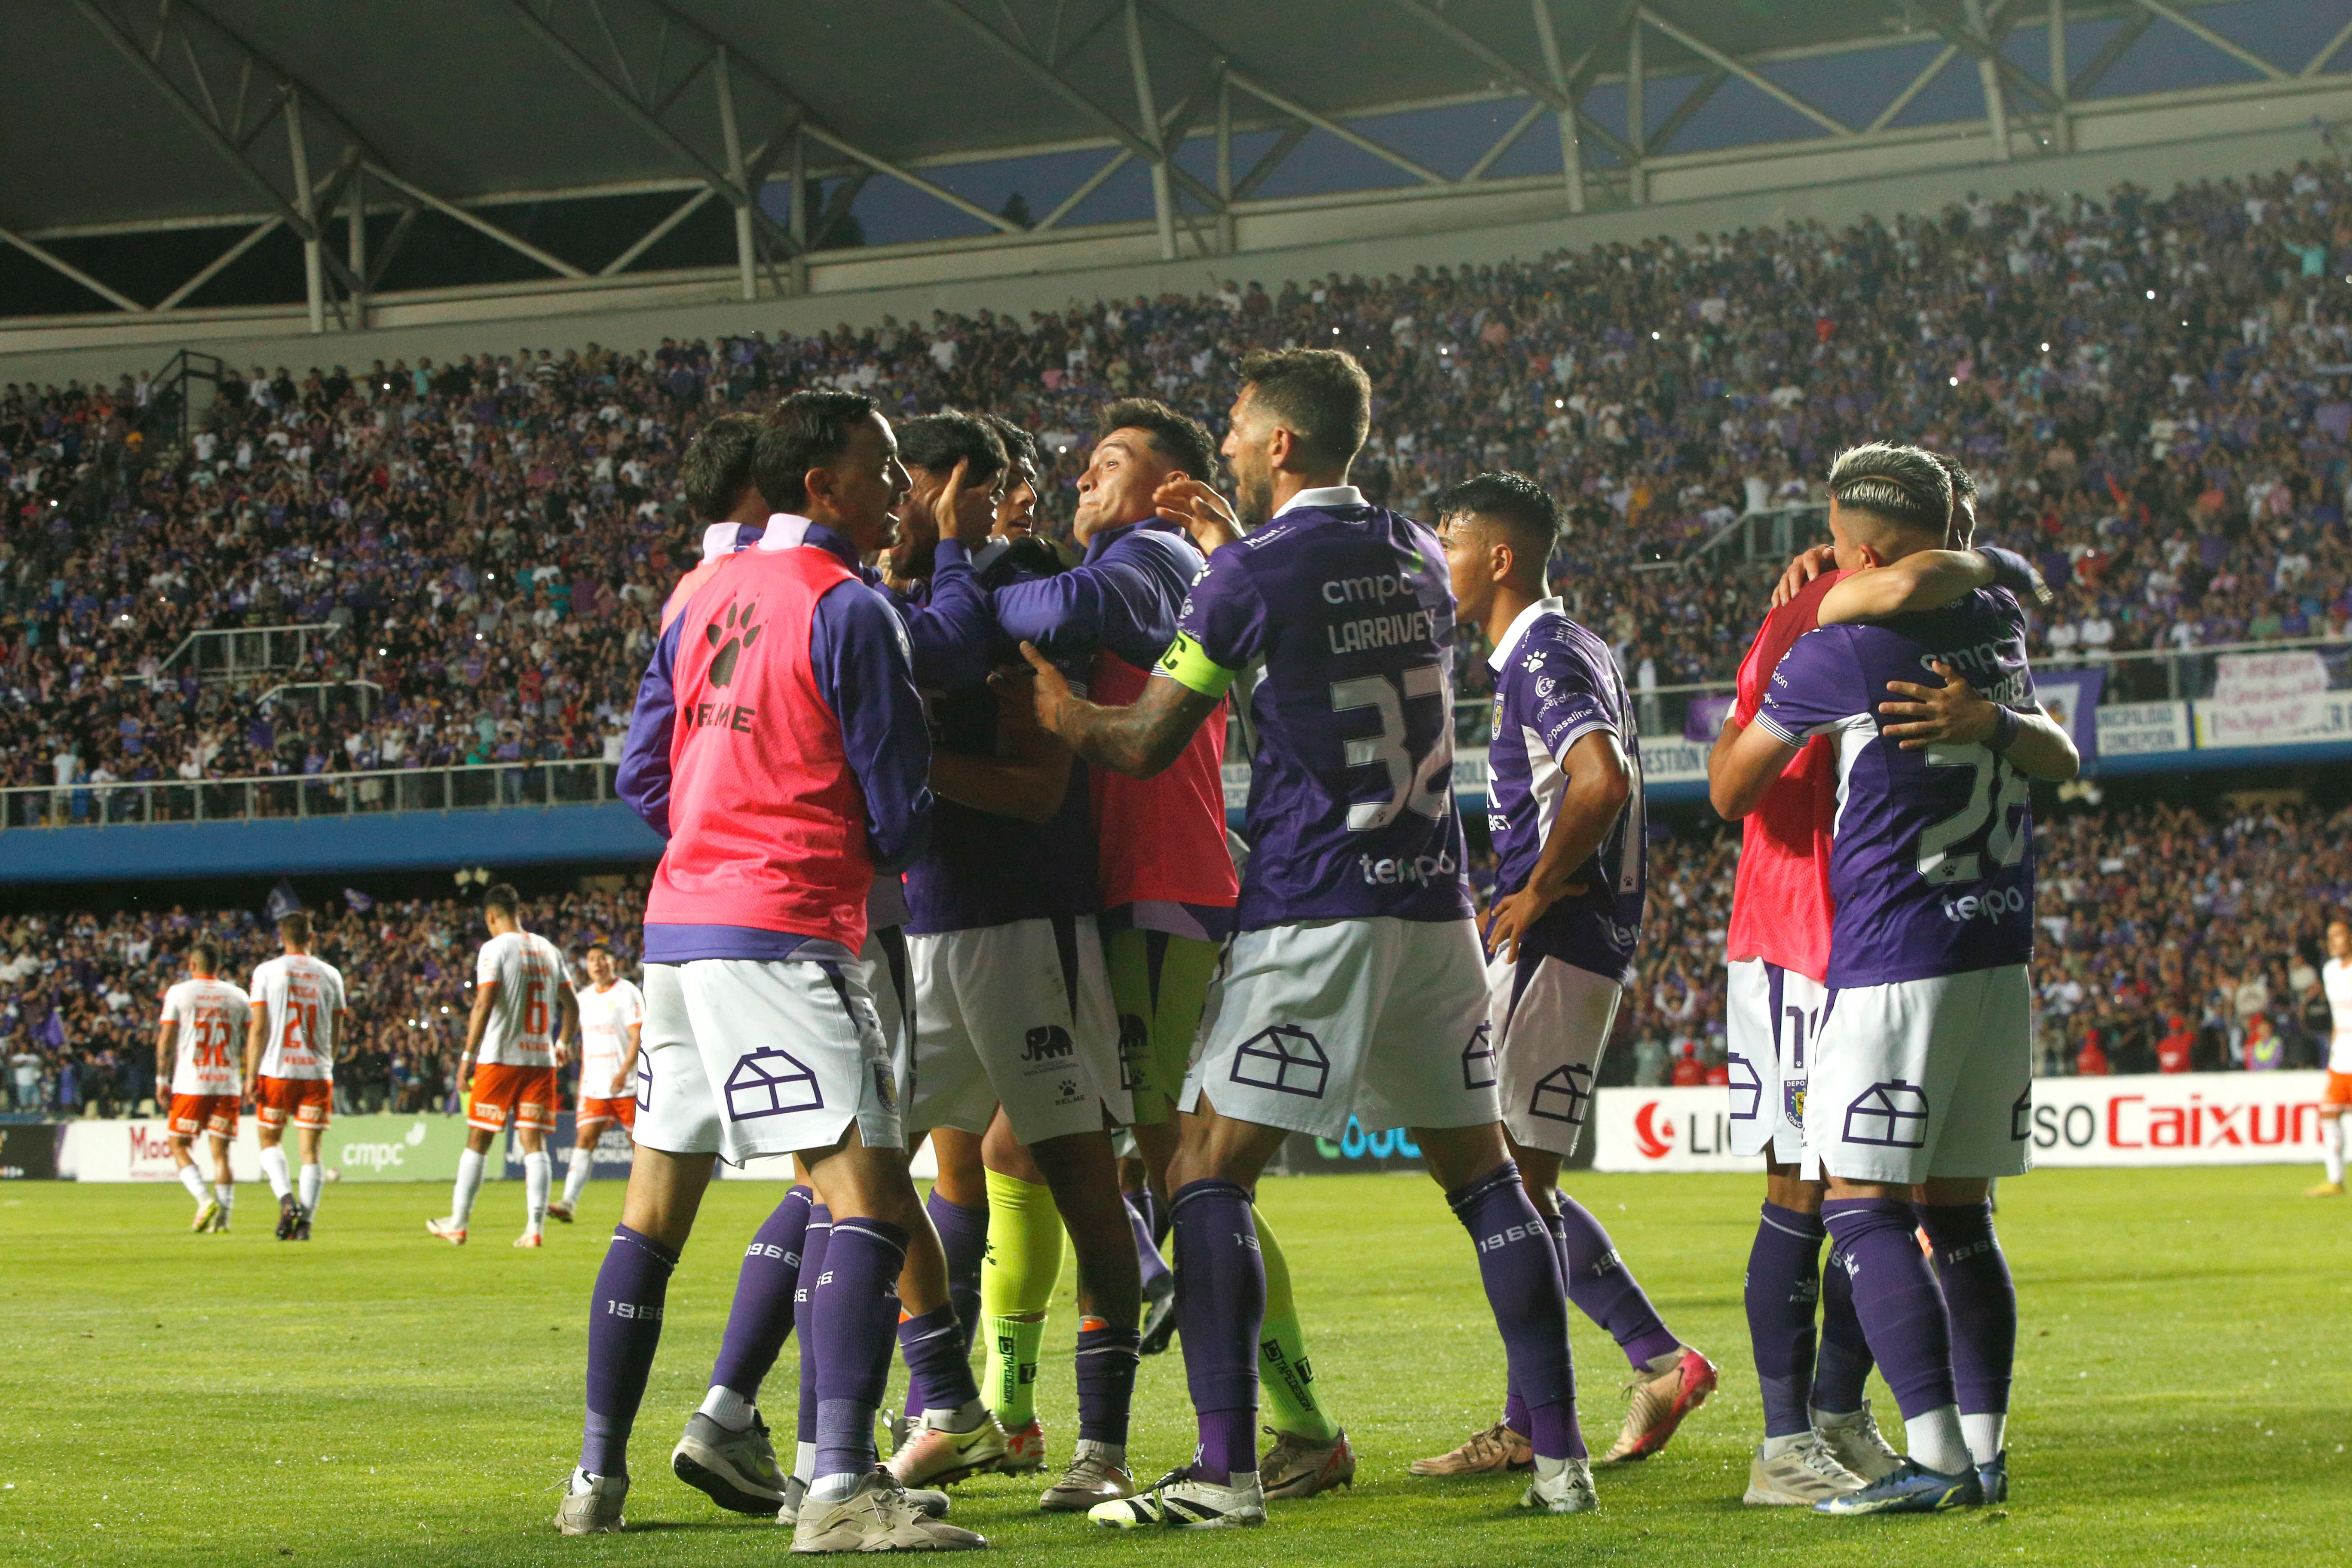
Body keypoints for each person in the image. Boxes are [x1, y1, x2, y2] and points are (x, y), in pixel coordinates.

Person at [1023, 348, 1595, 1525]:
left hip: (1313, 907)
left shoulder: (1250, 581)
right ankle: (1562, 1460)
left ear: (1280, 444)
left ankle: (1225, 1473)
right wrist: (1240, 546)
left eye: (1236, 427)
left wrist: (1058, 709)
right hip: (1429, 909)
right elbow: (1318, 614)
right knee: (1489, 1185)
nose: (1225, 442)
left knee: (1203, 1175)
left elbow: (1140, 742)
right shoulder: (1417, 555)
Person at [563, 389, 989, 1550]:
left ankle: (594, 1484)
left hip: (677, 931)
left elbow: (645, 780)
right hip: (788, 926)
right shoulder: (849, 610)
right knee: (864, 1194)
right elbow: (902, 819)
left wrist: (720, 818)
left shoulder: (697, 592)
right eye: (885, 466)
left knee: (652, 1208)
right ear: (823, 487)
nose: (902, 488)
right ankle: (843, 1489)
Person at [996, 396, 1356, 1501]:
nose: (1082, 477)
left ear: (1165, 488)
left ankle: (1300, 1426)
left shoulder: (1153, 565)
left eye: (1110, 462)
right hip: (1116, 898)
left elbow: (1063, 619)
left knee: (1186, 1172)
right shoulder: (1127, 571)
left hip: (1159, 891)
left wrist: (977, 566)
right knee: (1023, 1147)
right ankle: (1003, 1416)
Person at [1712, 441, 2081, 1515]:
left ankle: (1902, 1450)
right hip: (1981, 948)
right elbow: (2055, 747)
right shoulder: (1997, 625)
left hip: (1877, 946)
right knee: (1956, 1213)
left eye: (1833, 543)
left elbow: (1730, 786)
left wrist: (1810, 612)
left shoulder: (1842, 641)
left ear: (1857, 549)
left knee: (1849, 1201)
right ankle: (1957, 1443)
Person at [1420, 471, 1717, 1481]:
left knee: (1498, 1180)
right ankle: (1600, 1384)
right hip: (1586, 941)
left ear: (1496, 558)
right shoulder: (1573, 644)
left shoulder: (1539, 653)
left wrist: (1536, 888)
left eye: (1448, 546)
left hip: (1559, 939)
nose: (1438, 564)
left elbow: (1600, 781)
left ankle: (1629, 1371)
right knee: (1518, 1182)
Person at [886, 410, 1144, 1509]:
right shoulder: (896, 604)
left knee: (1083, 1183)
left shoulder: (1027, 584)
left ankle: (1103, 1447)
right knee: (860, 1163)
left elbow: (1039, 787)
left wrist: (904, 756)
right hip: (923, 926)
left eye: (910, 481)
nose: (892, 498)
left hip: (1025, 925)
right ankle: (950, 1399)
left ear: (964, 491)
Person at [426, 884, 577, 1249]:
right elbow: (572, 1005)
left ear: (491, 916)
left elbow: (484, 1003)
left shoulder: (495, 948)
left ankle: (458, 1224)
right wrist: (562, 1043)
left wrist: (466, 1057)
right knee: (534, 1143)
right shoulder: (548, 949)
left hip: (500, 1058)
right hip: (540, 1060)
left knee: (478, 1139)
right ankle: (534, 1229)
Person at [243, 909, 348, 1242]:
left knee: (270, 1140)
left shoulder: (267, 972)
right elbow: (336, 1029)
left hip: (277, 1070)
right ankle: (305, 1225)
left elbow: (259, 1028)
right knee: (311, 1152)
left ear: (281, 938)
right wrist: (326, 1061)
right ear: (311, 938)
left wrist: (250, 1075)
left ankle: (287, 1202)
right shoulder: (331, 975)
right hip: (316, 1073)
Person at [155, 939, 249, 1233]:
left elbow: (166, 1040)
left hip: (192, 1083)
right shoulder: (238, 996)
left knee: (179, 1144)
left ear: (191, 965)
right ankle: (224, 1220)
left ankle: (204, 1199)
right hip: (227, 1083)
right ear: (218, 967)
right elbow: (252, 1039)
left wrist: (161, 1078)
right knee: (222, 1155)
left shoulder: (180, 993)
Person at [550, 941, 643, 1225]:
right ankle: (568, 1202)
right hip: (594, 1085)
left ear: (614, 962)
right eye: (592, 960)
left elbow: (638, 1036)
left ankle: (645, 1207)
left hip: (627, 1084)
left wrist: (624, 1070)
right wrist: (563, 1046)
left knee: (639, 1147)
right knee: (586, 1139)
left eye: (602, 958)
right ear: (586, 967)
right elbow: (578, 1035)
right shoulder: (583, 998)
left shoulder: (628, 993)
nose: (597, 964)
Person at [2310, 918, 2352, 1196]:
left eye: (2338, 935)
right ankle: (2335, 1180)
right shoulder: (2329, 972)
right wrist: (2334, 1052)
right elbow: (2339, 1018)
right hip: (2341, 1057)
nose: (2333, 941)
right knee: (2328, 1115)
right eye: (2330, 937)